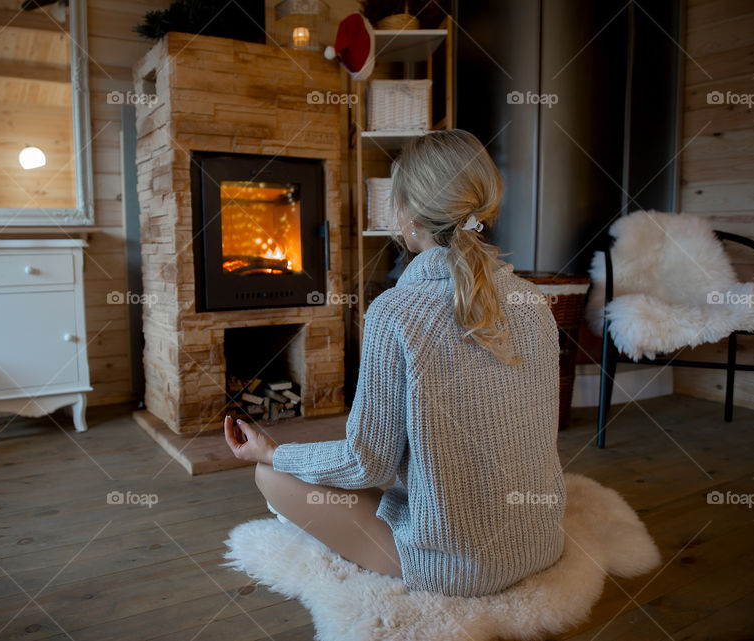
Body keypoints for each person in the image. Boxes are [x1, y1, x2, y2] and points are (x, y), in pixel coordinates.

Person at [223, 129, 565, 597]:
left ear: (407, 213)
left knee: (272, 477)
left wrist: (272, 452)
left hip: (459, 569)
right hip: (541, 542)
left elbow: (369, 463)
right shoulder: (534, 300)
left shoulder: (395, 312)